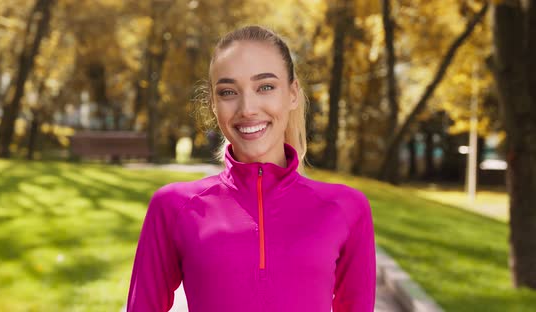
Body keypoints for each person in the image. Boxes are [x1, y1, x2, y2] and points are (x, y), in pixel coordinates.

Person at [126, 25, 376, 312]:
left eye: (265, 87)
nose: (247, 108)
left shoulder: (346, 208)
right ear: (213, 103)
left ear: (292, 93)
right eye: (229, 92)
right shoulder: (172, 207)